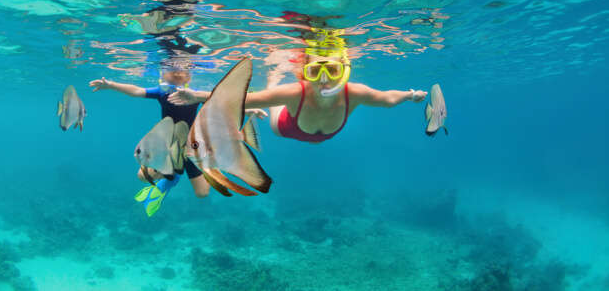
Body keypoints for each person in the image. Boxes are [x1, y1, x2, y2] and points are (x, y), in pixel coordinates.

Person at [169, 33, 427, 143]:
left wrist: (410, 95)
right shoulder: (296, 93)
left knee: (265, 100)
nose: (324, 80)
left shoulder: (355, 92)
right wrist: (197, 95)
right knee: (267, 101)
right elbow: (243, 99)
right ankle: (274, 77)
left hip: (323, 133)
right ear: (305, 74)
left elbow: (387, 99)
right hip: (286, 128)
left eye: (332, 70)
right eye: (315, 71)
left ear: (344, 71)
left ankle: (273, 82)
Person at [89, 64, 266, 215]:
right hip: (167, 146)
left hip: (194, 147)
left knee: (203, 193)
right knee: (142, 176)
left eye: (183, 69)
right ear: (161, 73)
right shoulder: (161, 92)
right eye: (173, 69)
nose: (179, 71)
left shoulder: (195, 94)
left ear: (190, 75)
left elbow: (221, 106)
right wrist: (111, 85)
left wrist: (249, 111)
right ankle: (167, 181)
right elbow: (137, 91)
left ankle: (171, 177)